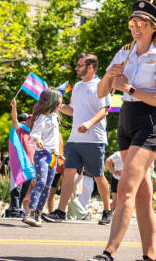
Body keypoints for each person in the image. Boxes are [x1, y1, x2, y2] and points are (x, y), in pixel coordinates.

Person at [86, 0, 156, 261]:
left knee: (124, 189)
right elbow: (102, 92)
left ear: (152, 27)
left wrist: (131, 88)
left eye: (141, 23)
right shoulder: (124, 52)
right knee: (143, 196)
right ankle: (149, 259)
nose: (135, 27)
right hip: (126, 118)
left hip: (150, 121)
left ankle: (107, 255)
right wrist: (110, 76)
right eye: (132, 23)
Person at [43, 54, 112, 225]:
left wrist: (89, 123)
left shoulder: (101, 85)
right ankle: (60, 212)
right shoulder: (77, 86)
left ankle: (107, 211)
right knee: (68, 174)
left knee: (98, 175)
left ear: (90, 67)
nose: (76, 68)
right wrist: (56, 105)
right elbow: (73, 110)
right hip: (74, 139)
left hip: (94, 140)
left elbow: (105, 110)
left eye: (79, 65)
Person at [22, 89, 62, 227]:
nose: (61, 103)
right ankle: (31, 212)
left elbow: (53, 138)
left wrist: (58, 153)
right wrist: (37, 139)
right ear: (53, 102)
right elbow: (35, 133)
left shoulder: (55, 117)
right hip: (42, 154)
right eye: (59, 101)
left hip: (52, 156)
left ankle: (38, 214)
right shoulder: (42, 117)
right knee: (40, 181)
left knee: (48, 185)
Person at [5, 101, 35, 218]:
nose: (31, 121)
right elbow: (14, 119)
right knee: (17, 186)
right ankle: (14, 208)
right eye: (30, 119)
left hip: (30, 165)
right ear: (26, 120)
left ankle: (18, 207)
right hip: (19, 163)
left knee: (25, 188)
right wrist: (14, 107)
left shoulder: (34, 134)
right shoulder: (20, 129)